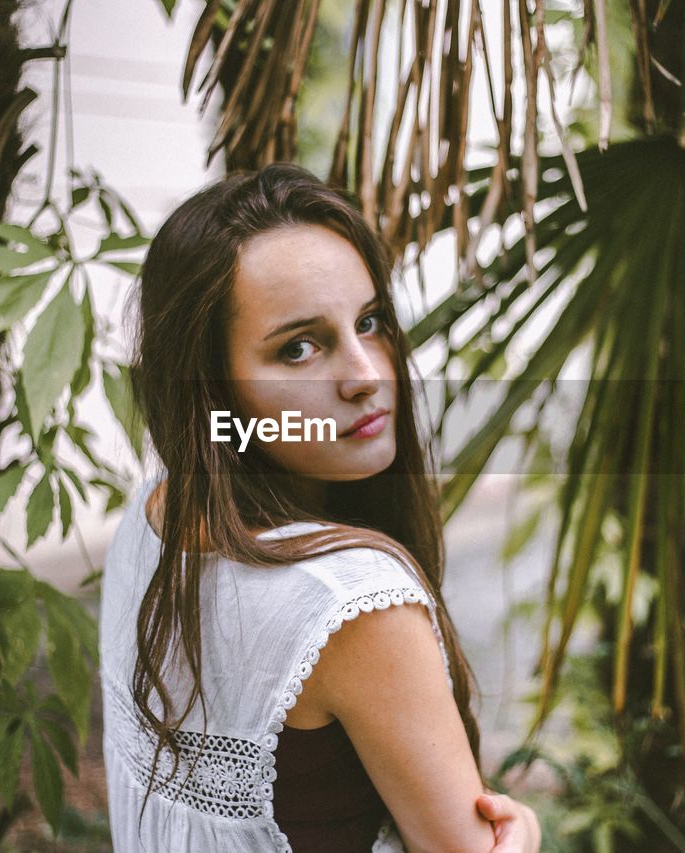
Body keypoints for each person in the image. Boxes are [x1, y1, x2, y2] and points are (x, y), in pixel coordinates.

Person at [99, 162, 542, 852]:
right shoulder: (353, 604)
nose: (366, 376)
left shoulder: (154, 512)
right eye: (299, 347)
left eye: (369, 322)